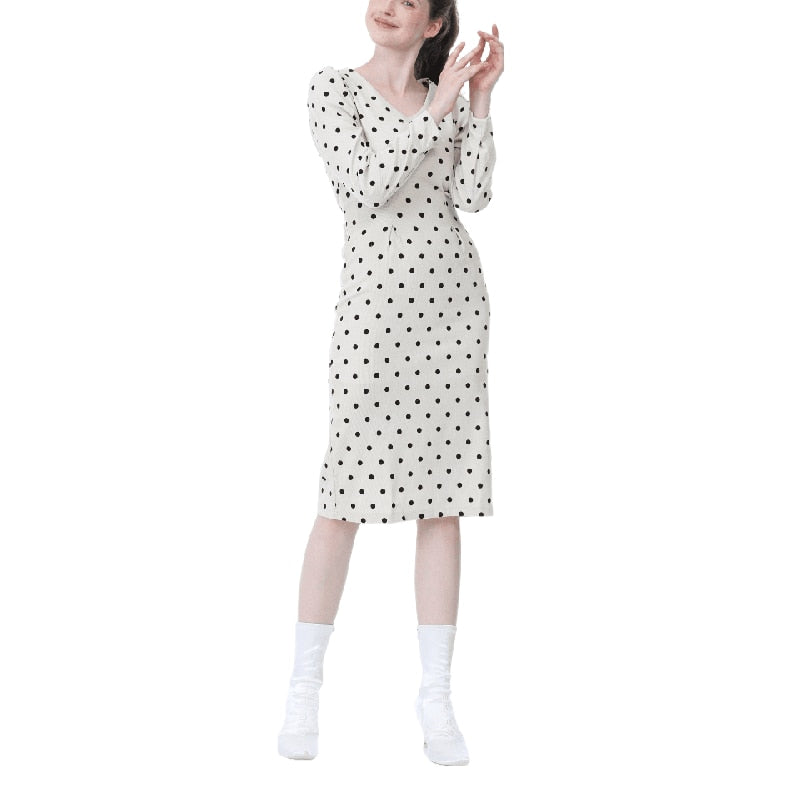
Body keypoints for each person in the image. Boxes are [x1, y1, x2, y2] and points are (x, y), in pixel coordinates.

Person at [278, 0, 503, 766]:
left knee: (444, 502)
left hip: (452, 315)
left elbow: (473, 195)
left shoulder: (447, 94)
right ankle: (303, 688)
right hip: (374, 316)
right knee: (341, 498)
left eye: (409, 1)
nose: (388, 8)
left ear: (434, 24)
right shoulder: (334, 88)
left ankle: (436, 695)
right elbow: (362, 188)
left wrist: (478, 99)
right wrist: (439, 109)